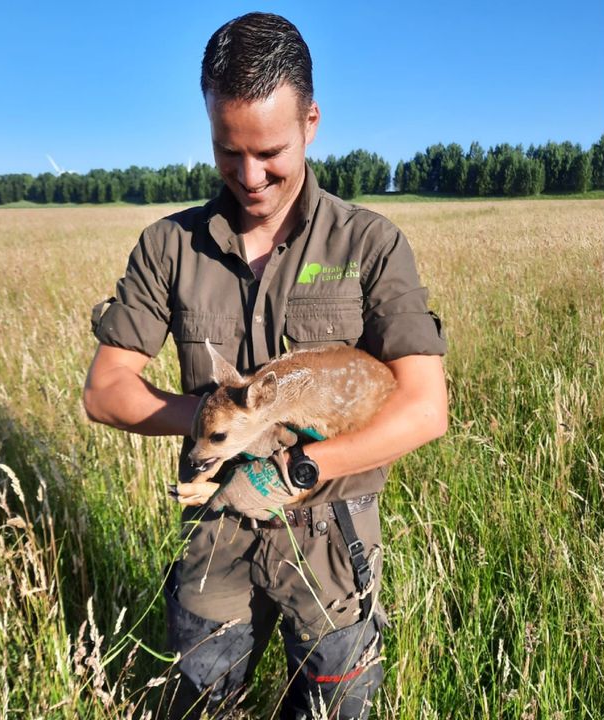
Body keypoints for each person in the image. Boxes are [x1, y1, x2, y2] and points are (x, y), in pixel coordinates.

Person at [82, 12, 448, 719]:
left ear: (311, 122)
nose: (249, 176)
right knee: (204, 701)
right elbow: (105, 391)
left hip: (331, 537)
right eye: (228, 151)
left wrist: (293, 469)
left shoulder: (369, 243)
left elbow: (425, 407)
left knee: (331, 707)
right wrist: (223, 425)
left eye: (270, 152)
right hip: (215, 534)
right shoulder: (169, 247)